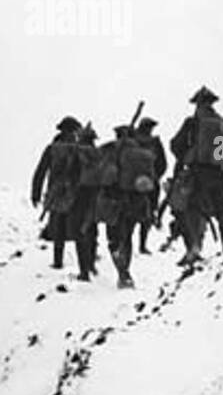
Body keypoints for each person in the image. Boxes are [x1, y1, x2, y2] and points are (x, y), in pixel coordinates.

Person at [170, 86, 223, 266]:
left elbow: (176, 144)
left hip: (198, 172)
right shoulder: (221, 122)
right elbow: (222, 153)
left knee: (191, 208)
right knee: (222, 211)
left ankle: (195, 247)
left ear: (197, 104)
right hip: (219, 174)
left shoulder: (192, 123)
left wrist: (185, 156)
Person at [96, 123, 153, 288]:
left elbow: (104, 176)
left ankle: (123, 273)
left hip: (116, 201)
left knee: (114, 239)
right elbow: (155, 174)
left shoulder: (111, 151)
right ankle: (125, 270)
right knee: (127, 237)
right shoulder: (144, 153)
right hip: (137, 202)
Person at [30, 116, 81, 270]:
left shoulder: (52, 148)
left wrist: (36, 193)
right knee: (80, 227)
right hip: (76, 194)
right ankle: (85, 266)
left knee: (58, 226)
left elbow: (41, 171)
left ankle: (58, 262)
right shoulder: (80, 148)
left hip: (56, 193)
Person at [69, 123, 102, 281]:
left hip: (80, 194)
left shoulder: (77, 152)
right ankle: (91, 264)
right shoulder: (99, 153)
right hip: (97, 194)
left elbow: (71, 173)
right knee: (92, 230)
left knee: (79, 232)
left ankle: (84, 272)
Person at [133, 117, 167, 255]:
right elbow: (163, 163)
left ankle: (136, 244)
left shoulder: (133, 141)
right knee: (146, 215)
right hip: (151, 183)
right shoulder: (154, 143)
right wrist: (155, 176)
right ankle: (142, 245)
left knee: (134, 215)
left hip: (134, 184)